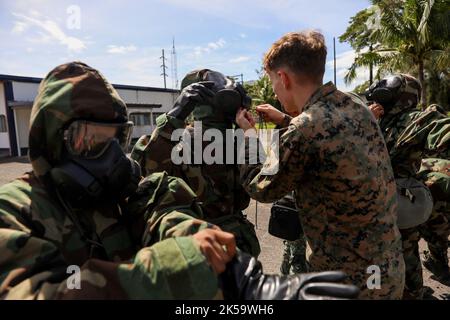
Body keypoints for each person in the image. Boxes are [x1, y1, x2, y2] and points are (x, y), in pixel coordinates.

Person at [0, 61, 359, 300]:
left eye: (114, 140)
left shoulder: (153, 169)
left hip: (222, 244)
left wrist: (224, 271)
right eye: (88, 140)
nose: (110, 157)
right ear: (50, 140)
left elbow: (161, 205)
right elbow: (266, 177)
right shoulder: (15, 210)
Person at [235, 30, 405, 299]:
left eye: (273, 82)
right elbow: (326, 139)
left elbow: (261, 187)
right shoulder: (355, 105)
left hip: (349, 281)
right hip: (386, 269)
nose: (275, 92)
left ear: (283, 78)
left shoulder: (306, 128)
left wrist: (248, 137)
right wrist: (284, 120)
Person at [131, 69, 260, 257]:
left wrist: (174, 116)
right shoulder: (241, 138)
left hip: (212, 243)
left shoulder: (178, 138)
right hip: (217, 242)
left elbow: (146, 171)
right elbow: (148, 175)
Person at [366, 75, 450, 298]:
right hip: (372, 201)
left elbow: (440, 127)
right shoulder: (375, 117)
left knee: (407, 249)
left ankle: (413, 292)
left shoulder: (413, 119)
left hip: (399, 198)